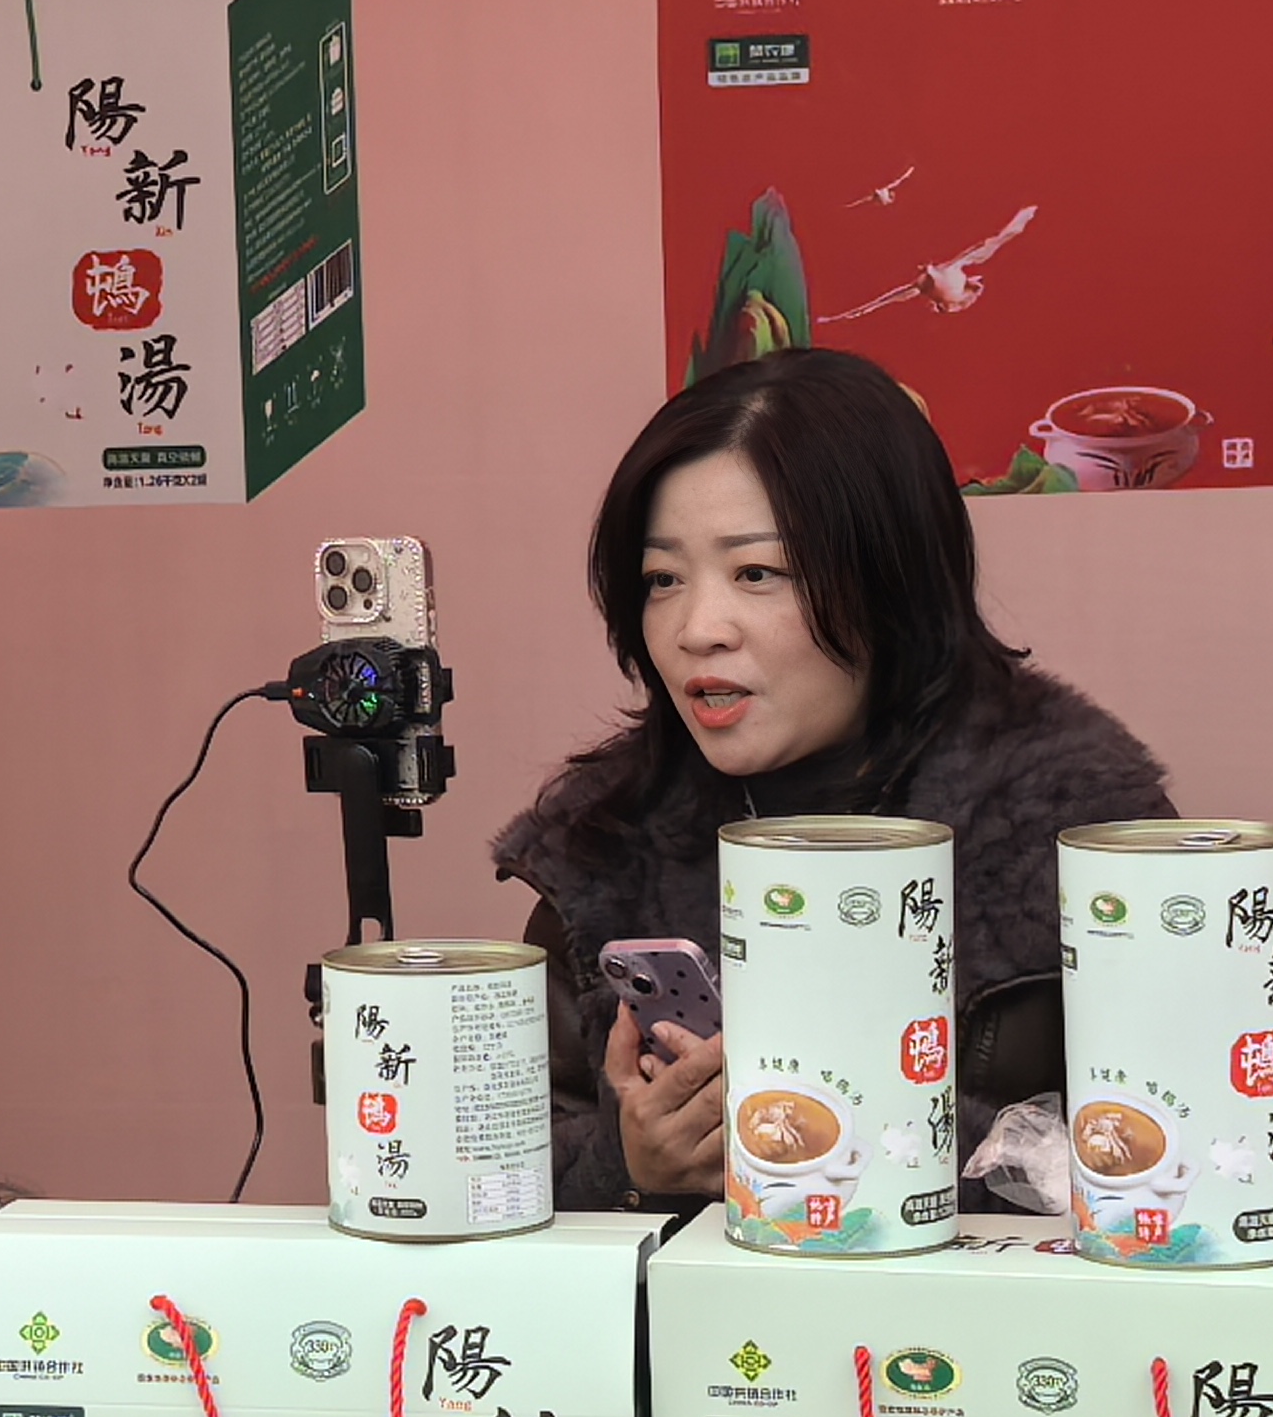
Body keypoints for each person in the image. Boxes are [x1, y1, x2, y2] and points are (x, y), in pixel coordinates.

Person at [494, 349, 1174, 1213]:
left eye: (756, 574)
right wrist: (626, 1167)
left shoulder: (1078, 828)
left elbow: (1189, 1156)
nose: (698, 628)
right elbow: (505, 1173)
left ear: (890, 578)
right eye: (662, 580)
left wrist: (862, 1131)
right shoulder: (603, 842)